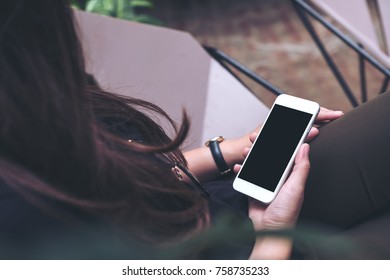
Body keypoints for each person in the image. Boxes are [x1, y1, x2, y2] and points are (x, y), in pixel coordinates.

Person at [0, 0, 388, 260]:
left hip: (218, 207)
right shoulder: (18, 220)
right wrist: (272, 239)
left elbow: (102, 184)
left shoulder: (37, 113)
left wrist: (227, 151)